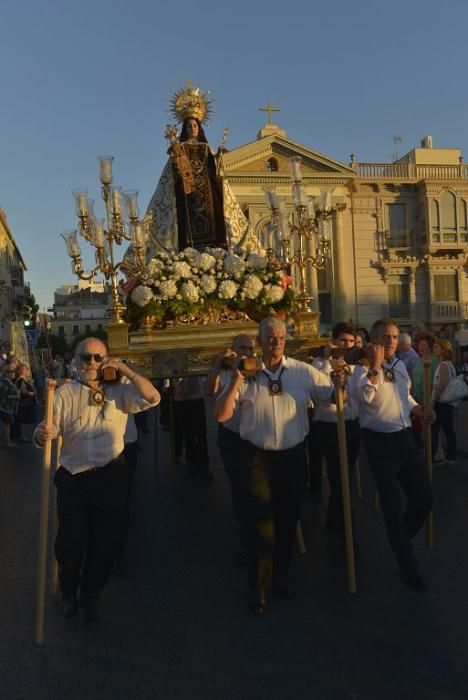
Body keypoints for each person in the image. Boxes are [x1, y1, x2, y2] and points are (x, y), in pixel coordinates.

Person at [215, 317, 341, 614]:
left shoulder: (302, 371)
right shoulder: (246, 375)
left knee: (286, 522)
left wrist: (341, 382)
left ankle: (279, 575)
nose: (276, 342)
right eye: (270, 338)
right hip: (256, 459)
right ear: (260, 342)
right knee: (261, 526)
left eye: (281, 337)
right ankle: (258, 587)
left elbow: (333, 396)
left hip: (293, 457)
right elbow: (221, 415)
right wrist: (236, 379)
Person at [34, 337, 160, 628]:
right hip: (74, 477)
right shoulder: (63, 393)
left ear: (107, 359)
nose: (92, 363)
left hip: (110, 475)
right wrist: (43, 434)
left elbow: (153, 398)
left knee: (105, 545)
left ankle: (92, 596)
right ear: (76, 360)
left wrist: (126, 370)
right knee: (69, 545)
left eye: (98, 358)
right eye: (86, 358)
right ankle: (68, 590)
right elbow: (46, 427)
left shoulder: (121, 391)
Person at [354, 318, 434, 591]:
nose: (390, 341)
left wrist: (418, 409)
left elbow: (406, 397)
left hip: (404, 438)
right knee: (391, 505)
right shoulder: (361, 368)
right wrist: (375, 367)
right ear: (374, 339)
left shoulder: (400, 366)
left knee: (424, 497)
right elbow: (363, 398)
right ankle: (407, 564)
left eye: (394, 336)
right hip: (379, 443)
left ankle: (401, 538)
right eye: (385, 336)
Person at [145, 81, 260, 253]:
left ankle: (214, 247)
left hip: (207, 194)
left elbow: (214, 170)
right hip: (187, 193)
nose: (193, 128)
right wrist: (177, 155)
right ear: (185, 129)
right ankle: (189, 249)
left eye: (195, 125)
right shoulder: (180, 149)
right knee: (187, 224)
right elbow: (174, 173)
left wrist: (219, 158)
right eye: (190, 126)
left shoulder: (206, 148)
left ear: (199, 128)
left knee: (213, 220)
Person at [204, 333, 257, 561]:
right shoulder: (225, 370)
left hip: (256, 439)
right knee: (242, 492)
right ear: (233, 349)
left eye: (250, 349)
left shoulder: (258, 370)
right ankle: (247, 542)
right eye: (242, 348)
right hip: (233, 439)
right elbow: (209, 389)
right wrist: (218, 364)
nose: (247, 353)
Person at [311, 322, 364, 538]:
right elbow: (318, 385)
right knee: (337, 476)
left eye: (351, 341)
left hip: (351, 423)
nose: (347, 345)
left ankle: (334, 519)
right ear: (334, 341)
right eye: (343, 340)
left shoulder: (356, 365)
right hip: (329, 425)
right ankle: (346, 529)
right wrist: (327, 360)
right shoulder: (320, 363)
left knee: (346, 476)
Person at [174, 376, 212, 480]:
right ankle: (191, 459)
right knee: (188, 432)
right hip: (181, 398)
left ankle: (203, 465)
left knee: (201, 434)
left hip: (196, 398)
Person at [431, 339, 458, 465]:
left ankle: (439, 456)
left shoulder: (443, 365)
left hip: (442, 403)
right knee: (447, 429)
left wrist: (434, 399)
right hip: (447, 403)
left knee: (439, 429)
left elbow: (442, 384)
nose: (434, 349)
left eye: (436, 347)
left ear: (442, 350)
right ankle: (450, 456)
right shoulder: (448, 364)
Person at [15, 363, 37, 443]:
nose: (26, 370)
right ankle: (23, 436)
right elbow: (23, 391)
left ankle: (24, 436)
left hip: (26, 402)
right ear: (21, 371)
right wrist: (31, 393)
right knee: (24, 420)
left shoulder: (24, 379)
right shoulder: (21, 380)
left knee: (26, 420)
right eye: (24, 369)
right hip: (25, 402)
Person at [0, 365, 20, 449]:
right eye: (11, 372)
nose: (13, 373)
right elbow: (4, 396)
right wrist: (17, 396)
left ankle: (5, 442)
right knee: (6, 425)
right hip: (6, 408)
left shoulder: (8, 382)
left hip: (8, 407)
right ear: (6, 373)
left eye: (13, 371)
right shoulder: (5, 383)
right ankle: (7, 443)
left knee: (6, 425)